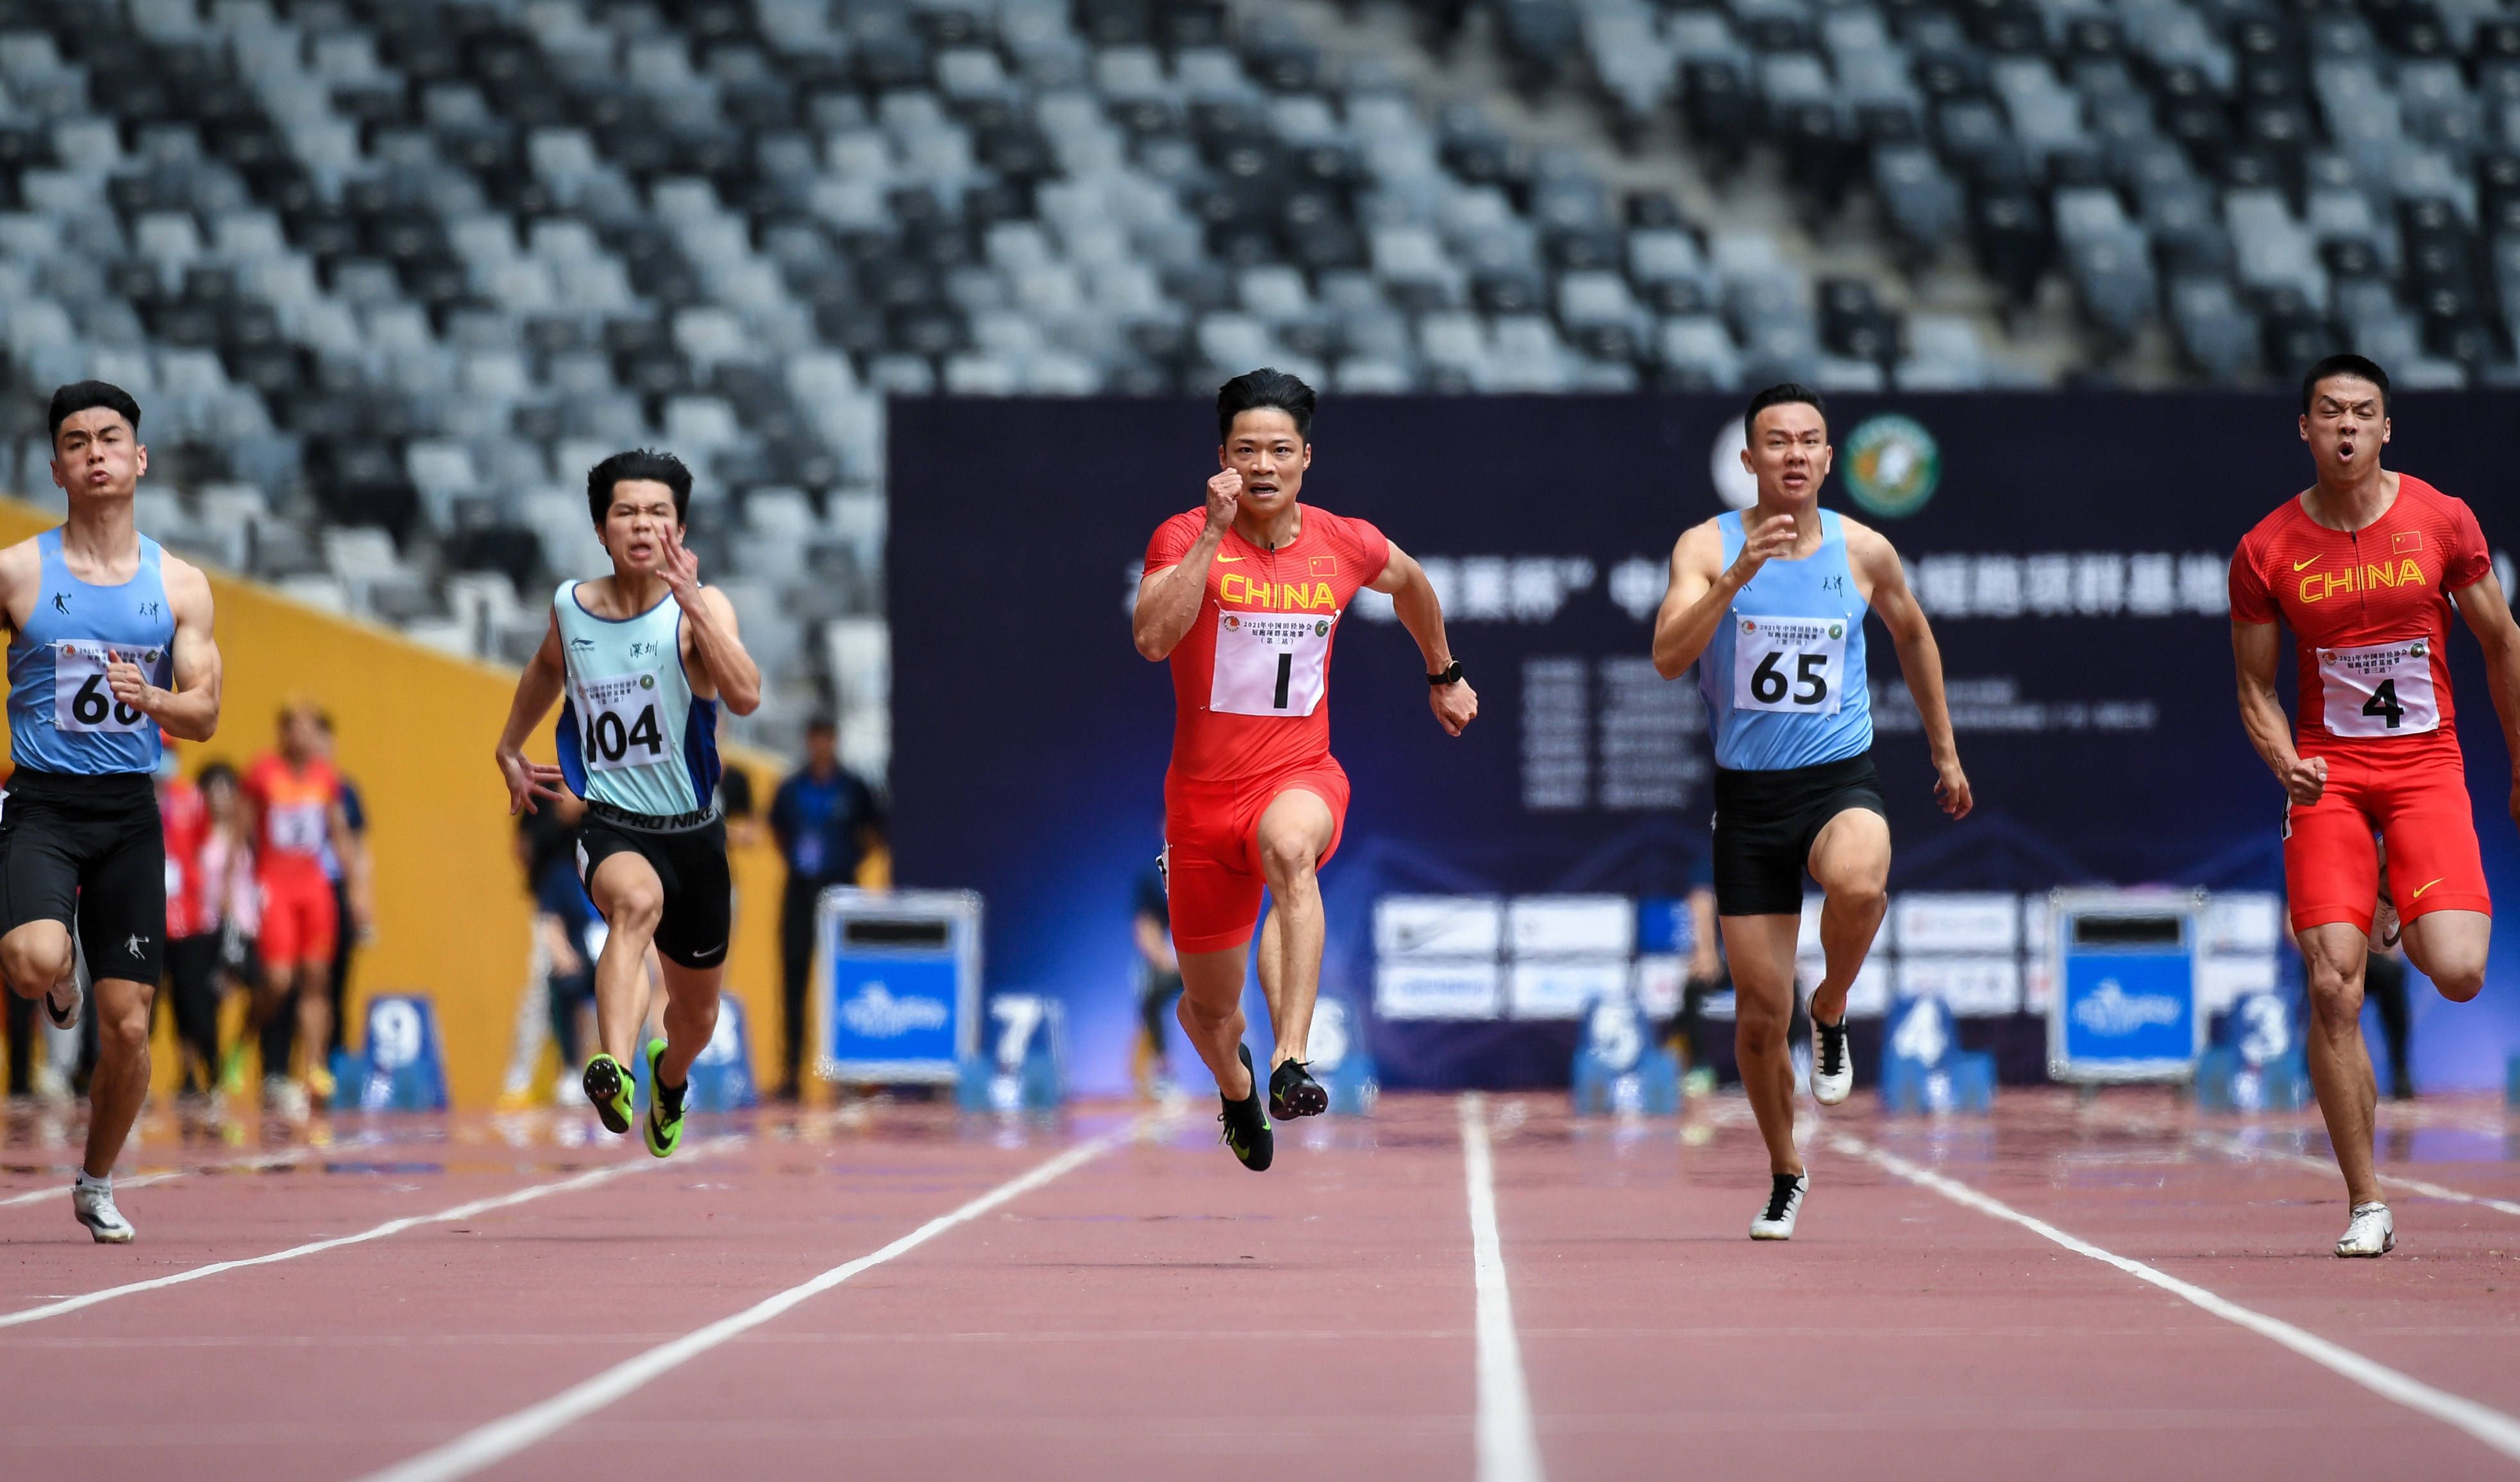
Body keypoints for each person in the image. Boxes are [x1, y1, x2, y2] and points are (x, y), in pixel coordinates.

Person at [1132, 369, 1479, 1172]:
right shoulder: (1183, 537)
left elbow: (1413, 583)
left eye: (1279, 451)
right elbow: (1153, 639)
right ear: (1221, 457)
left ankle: (1291, 1061)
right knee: (1209, 1015)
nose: (1263, 465)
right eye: (1246, 449)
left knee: (1292, 849)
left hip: (1300, 775)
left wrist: (1443, 672)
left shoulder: (1344, 541)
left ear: (1306, 458)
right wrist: (1215, 536)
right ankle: (1237, 1084)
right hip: (1200, 807)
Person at [1651, 383, 1971, 1240]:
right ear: (1748, 460)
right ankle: (1785, 1167)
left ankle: (1829, 1005)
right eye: (1776, 441)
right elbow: (1666, 656)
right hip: (1747, 800)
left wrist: (1942, 749)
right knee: (1758, 1014)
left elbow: (1911, 633)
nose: (1794, 453)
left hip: (1837, 778)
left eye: (1810, 440)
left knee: (1861, 883)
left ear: (1830, 459)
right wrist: (1737, 578)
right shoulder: (1704, 545)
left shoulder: (1865, 549)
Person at [2229, 353, 2520, 1258]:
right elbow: (2252, 689)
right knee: (2330, 985)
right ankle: (2365, 1200)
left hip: (2425, 767)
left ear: (2385, 427)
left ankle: (2394, 890)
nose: (2346, 426)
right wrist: (2285, 761)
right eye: (2329, 412)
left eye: (2363, 412)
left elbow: (2502, 640)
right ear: (2305, 429)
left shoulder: (2441, 519)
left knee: (2462, 969)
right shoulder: (2265, 548)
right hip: (2330, 780)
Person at [0, 382, 223, 1240]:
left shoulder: (181, 584)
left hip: (129, 814)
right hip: (43, 805)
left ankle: (96, 1180)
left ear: (138, 458)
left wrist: (155, 697)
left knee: (128, 1027)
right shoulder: (19, 569)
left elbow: (205, 716)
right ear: (57, 466)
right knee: (30, 959)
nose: (94, 451)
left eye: (109, 437)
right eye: (76, 440)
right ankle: (61, 978)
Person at [493, 449, 762, 1157]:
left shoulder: (699, 609)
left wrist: (698, 605)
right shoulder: (571, 608)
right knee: (633, 907)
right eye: (626, 512)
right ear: (602, 529)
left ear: (679, 528)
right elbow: (546, 668)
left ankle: (668, 1076)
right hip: (614, 826)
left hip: (696, 835)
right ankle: (613, 1067)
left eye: (658, 513)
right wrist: (509, 746)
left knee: (696, 1018)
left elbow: (745, 695)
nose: (642, 524)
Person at [243, 702, 370, 1113]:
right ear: (282, 732)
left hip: (313, 887)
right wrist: (240, 892)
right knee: (279, 979)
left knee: (318, 977)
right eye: (295, 728)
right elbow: (243, 837)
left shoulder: (325, 778)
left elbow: (340, 835)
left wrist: (357, 892)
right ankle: (247, 1036)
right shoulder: (263, 773)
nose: (303, 737)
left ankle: (313, 1069)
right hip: (275, 886)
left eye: (310, 729)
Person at [768, 714, 885, 1100]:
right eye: (815, 738)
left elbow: (875, 832)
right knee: (794, 980)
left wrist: (850, 858)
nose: (821, 745)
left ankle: (849, 1073)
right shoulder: (792, 787)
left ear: (834, 741)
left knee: (845, 981)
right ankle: (792, 1073)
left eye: (827, 738)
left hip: (840, 890)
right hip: (801, 890)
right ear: (808, 741)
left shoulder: (854, 788)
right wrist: (796, 859)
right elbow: (777, 829)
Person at [312, 711, 373, 1063]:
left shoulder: (345, 791)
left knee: (338, 984)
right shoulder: (293, 786)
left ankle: (333, 1063)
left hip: (337, 891)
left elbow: (360, 849)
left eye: (325, 741)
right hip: (303, 892)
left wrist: (362, 897)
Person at [1129, 853, 1183, 1098]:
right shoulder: (1152, 879)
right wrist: (1166, 959)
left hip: (1208, 957)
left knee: (1226, 1000)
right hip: (1170, 962)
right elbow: (1145, 925)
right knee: (1149, 998)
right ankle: (1163, 1070)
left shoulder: (1211, 869)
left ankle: (1229, 1072)